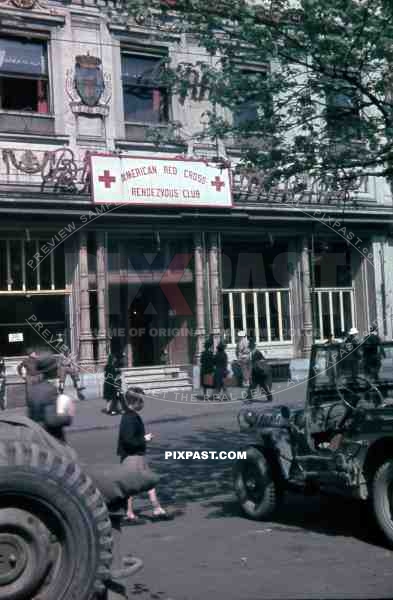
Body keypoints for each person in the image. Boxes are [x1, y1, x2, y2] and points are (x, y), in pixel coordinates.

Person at [117, 387, 170, 523]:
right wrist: (144, 439)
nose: (142, 404)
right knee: (133, 485)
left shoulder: (131, 415)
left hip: (136, 455)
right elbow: (128, 440)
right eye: (141, 401)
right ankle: (130, 512)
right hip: (132, 456)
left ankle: (156, 507)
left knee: (148, 481)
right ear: (134, 402)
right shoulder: (129, 417)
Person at [27, 354, 74, 443]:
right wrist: (68, 416)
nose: (57, 369)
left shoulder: (33, 388)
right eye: (56, 367)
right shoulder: (49, 389)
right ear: (51, 370)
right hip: (51, 438)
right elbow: (51, 420)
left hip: (36, 435)